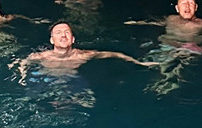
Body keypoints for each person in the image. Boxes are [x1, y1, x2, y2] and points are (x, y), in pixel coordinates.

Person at [13, 21, 155, 83]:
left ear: (73, 39)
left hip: (72, 81)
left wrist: (139, 63)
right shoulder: (41, 56)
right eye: (58, 33)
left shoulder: (83, 55)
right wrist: (22, 75)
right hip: (45, 79)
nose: (63, 35)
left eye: (66, 32)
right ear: (51, 40)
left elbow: (115, 54)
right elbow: (22, 62)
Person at [126, 0, 202, 55]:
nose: (187, 6)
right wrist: (136, 23)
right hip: (166, 46)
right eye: (183, 3)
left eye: (190, 3)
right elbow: (155, 22)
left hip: (189, 52)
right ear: (177, 8)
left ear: (196, 7)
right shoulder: (171, 19)